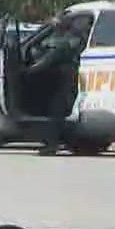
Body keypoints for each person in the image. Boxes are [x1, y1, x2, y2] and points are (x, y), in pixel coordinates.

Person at [25, 10, 94, 156]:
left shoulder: (67, 41)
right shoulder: (76, 38)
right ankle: (69, 142)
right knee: (60, 112)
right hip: (71, 80)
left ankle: (51, 146)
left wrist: (27, 71)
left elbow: (48, 60)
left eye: (57, 23)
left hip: (67, 82)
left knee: (55, 112)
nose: (55, 26)